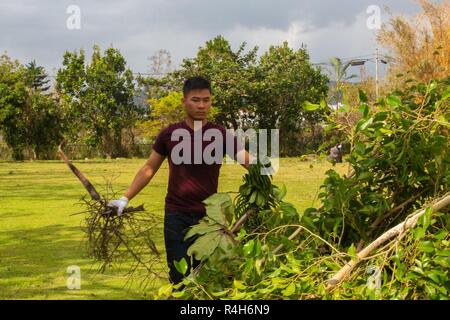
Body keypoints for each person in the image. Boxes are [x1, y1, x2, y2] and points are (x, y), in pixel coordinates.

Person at [108, 76, 252, 284]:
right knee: (179, 277)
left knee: (208, 277)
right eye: (195, 100)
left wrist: (263, 169)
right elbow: (149, 168)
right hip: (176, 216)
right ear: (184, 101)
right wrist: (124, 198)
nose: (201, 105)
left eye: (206, 100)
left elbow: (246, 159)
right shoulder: (169, 134)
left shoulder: (220, 134)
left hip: (210, 217)